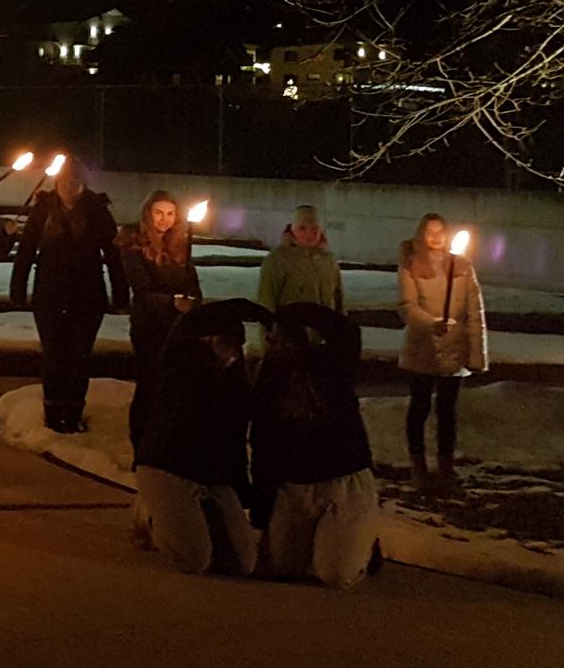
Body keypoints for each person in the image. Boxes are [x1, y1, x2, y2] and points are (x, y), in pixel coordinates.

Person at [133, 298, 270, 577]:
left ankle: (198, 519)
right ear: (206, 341)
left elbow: (235, 441)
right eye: (224, 342)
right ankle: (151, 515)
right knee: (194, 560)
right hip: (169, 467)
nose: (230, 352)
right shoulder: (179, 366)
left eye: (236, 345)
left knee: (243, 562)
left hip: (211, 477)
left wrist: (242, 490)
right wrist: (251, 310)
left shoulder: (236, 387)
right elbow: (189, 323)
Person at [253, 303, 382, 587]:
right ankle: (324, 539)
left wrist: (289, 312)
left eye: (284, 340)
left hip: (341, 482)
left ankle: (361, 544)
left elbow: (346, 330)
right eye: (271, 340)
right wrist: (261, 518)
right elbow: (262, 448)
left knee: (334, 574)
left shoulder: (331, 367)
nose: (276, 347)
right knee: (283, 567)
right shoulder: (267, 381)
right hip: (294, 486)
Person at [10, 165, 124, 434]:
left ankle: (73, 412)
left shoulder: (96, 210)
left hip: (87, 296)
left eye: (75, 180)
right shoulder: (44, 209)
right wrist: (18, 287)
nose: (69, 185)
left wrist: (120, 292)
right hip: (49, 295)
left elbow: (113, 253)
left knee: (78, 356)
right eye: (65, 180)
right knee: (53, 355)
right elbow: (26, 249)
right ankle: (52, 411)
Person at [397, 212, 488, 493]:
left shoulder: (462, 267)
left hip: (454, 349)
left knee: (448, 411)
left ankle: (445, 466)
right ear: (420, 234)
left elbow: (475, 312)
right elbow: (406, 306)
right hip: (422, 348)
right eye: (429, 232)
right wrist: (431, 323)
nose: (435, 237)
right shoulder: (410, 266)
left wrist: (476, 354)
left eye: (439, 232)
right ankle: (418, 466)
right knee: (420, 407)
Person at [118, 190, 202, 451]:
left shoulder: (180, 246)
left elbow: (191, 282)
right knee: (149, 385)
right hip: (149, 327)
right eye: (158, 213)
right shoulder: (134, 244)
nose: (164, 219)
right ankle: (141, 444)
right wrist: (171, 302)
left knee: (174, 388)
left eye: (170, 214)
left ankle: (167, 444)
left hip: (177, 328)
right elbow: (141, 290)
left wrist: (195, 304)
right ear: (148, 214)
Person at [257, 206, 345, 313]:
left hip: (326, 328)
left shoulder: (328, 260)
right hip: (291, 327)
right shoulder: (278, 259)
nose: (309, 234)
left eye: (314, 229)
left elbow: (339, 299)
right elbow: (267, 300)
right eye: (302, 228)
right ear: (292, 230)